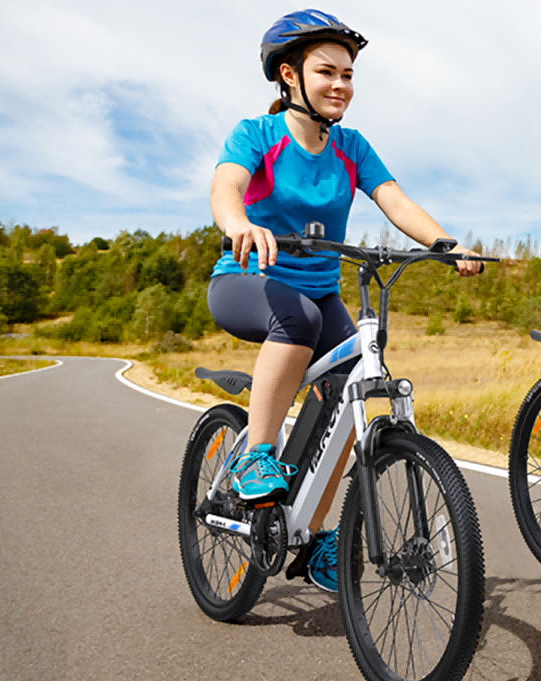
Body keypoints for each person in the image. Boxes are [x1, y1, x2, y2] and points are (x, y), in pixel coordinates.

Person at [207, 9, 480, 593]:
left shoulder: (352, 146)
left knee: (359, 375)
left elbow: (395, 201)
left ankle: (313, 535)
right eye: (327, 72)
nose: (341, 86)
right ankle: (257, 452)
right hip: (248, 281)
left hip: (319, 291)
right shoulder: (257, 134)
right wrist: (239, 225)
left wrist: (443, 243)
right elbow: (226, 185)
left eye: (349, 75)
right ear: (289, 75)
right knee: (297, 318)